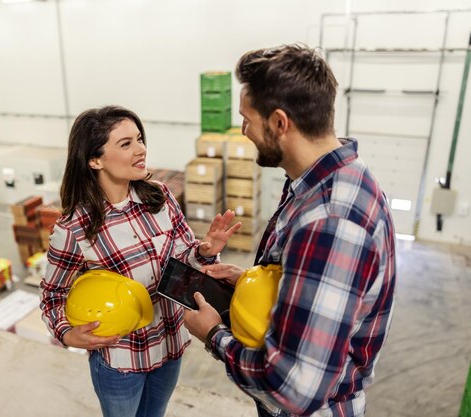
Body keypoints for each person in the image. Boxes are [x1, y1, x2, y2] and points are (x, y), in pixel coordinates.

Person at [183, 44, 397, 417]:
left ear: (280, 123)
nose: (244, 131)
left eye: (247, 120)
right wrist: (254, 284)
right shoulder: (327, 179)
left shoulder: (331, 221)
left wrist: (214, 335)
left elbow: (295, 389)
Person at [40, 105, 240, 417]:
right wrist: (66, 333)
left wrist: (204, 250)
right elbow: (53, 296)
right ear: (94, 160)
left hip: (170, 346)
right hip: (122, 360)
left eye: (140, 139)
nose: (141, 149)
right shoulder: (74, 228)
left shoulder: (159, 198)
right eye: (126, 144)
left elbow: (184, 264)